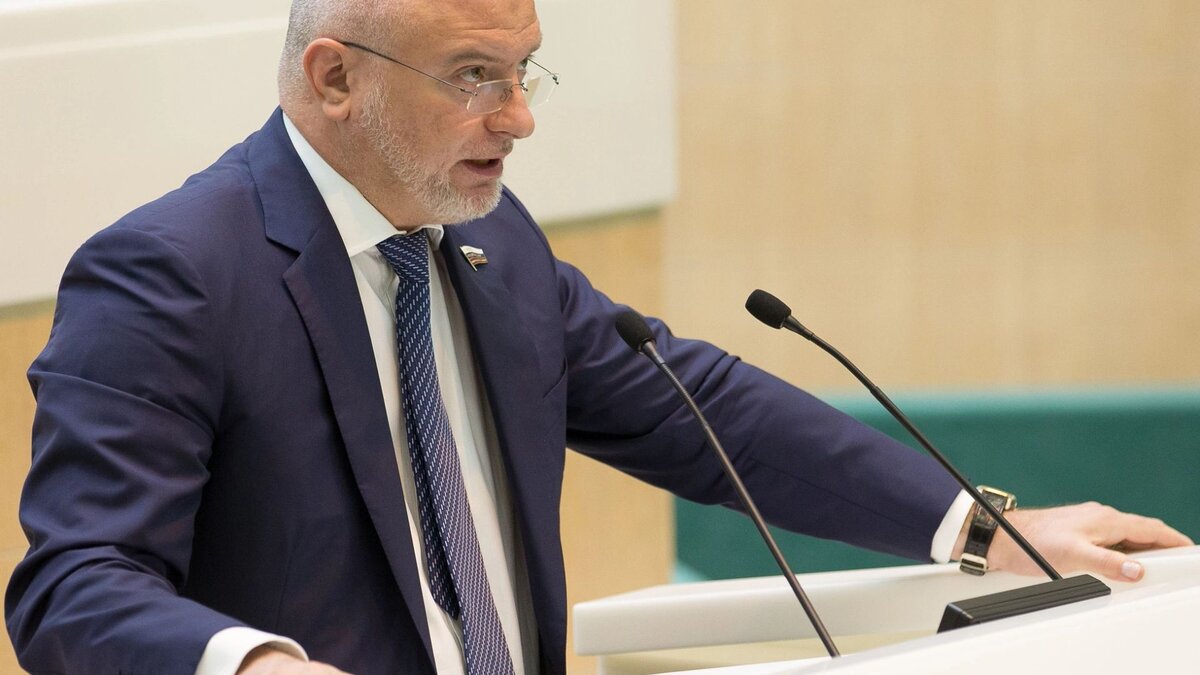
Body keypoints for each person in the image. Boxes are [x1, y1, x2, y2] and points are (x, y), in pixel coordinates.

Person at [5, 0, 1192, 673]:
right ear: (333, 80)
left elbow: (701, 412)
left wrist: (988, 529)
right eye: (476, 76)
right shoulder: (173, 273)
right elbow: (75, 583)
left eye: (526, 72)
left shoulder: (492, 242)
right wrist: (252, 666)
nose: (520, 118)